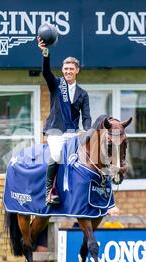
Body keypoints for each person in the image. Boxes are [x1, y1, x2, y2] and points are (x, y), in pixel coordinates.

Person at [38, 37, 91, 206]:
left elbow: (87, 117)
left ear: (77, 71)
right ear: (62, 70)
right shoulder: (56, 84)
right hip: (55, 131)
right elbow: (46, 72)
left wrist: (87, 130)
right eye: (65, 68)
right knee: (56, 155)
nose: (68, 71)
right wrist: (45, 53)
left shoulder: (83, 94)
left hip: (73, 133)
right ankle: (49, 192)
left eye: (71, 69)